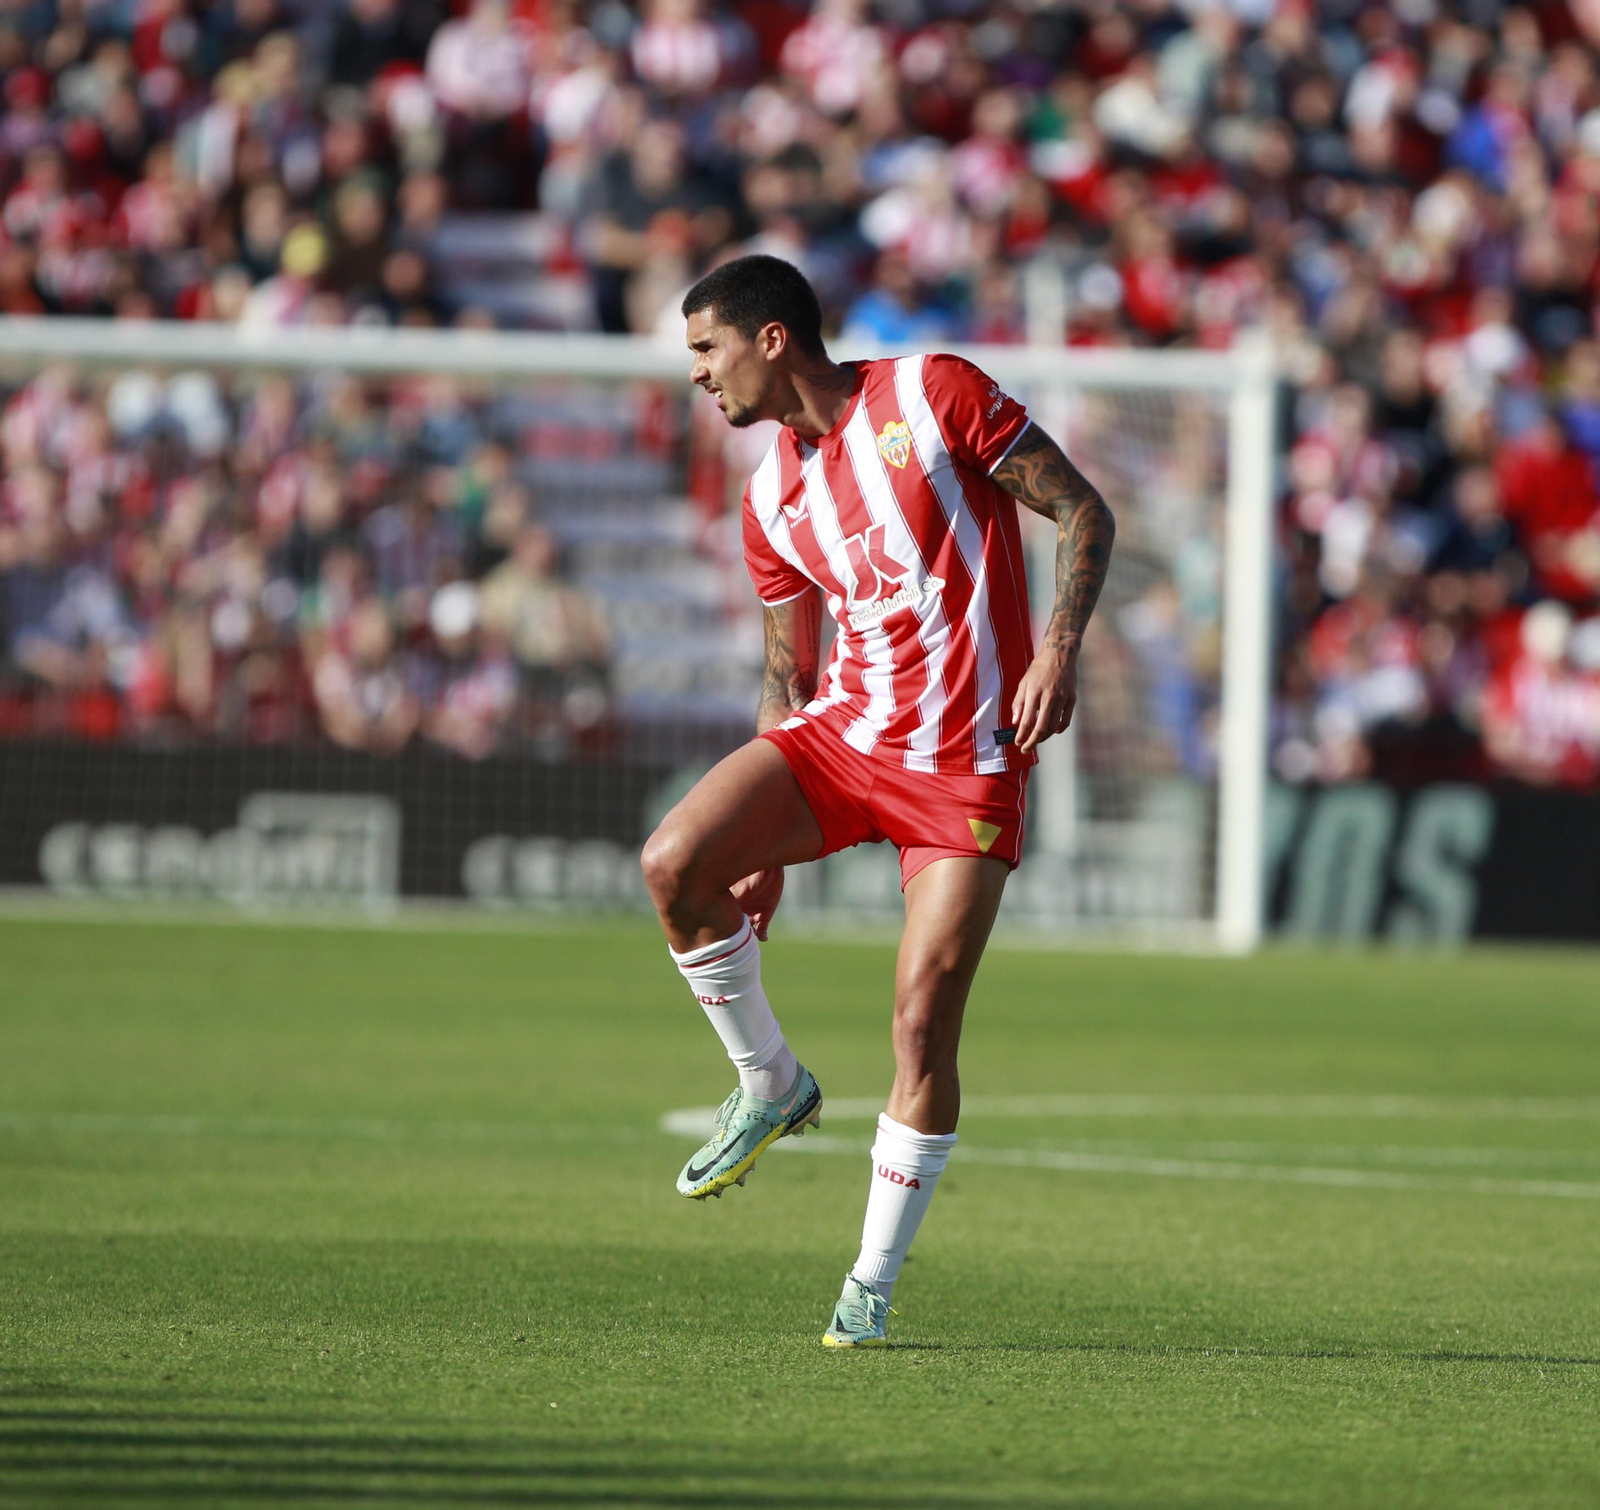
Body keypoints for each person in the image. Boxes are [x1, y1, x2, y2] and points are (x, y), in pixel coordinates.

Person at [640, 254, 1114, 1347]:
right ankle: (769, 1081)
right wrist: (763, 846)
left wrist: (1058, 649)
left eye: (707, 348)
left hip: (968, 763)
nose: (698, 374)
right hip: (844, 739)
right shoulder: (769, 497)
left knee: (921, 1019)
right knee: (674, 862)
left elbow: (1081, 509)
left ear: (771, 339)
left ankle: (870, 1284)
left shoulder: (931, 394)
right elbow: (787, 673)